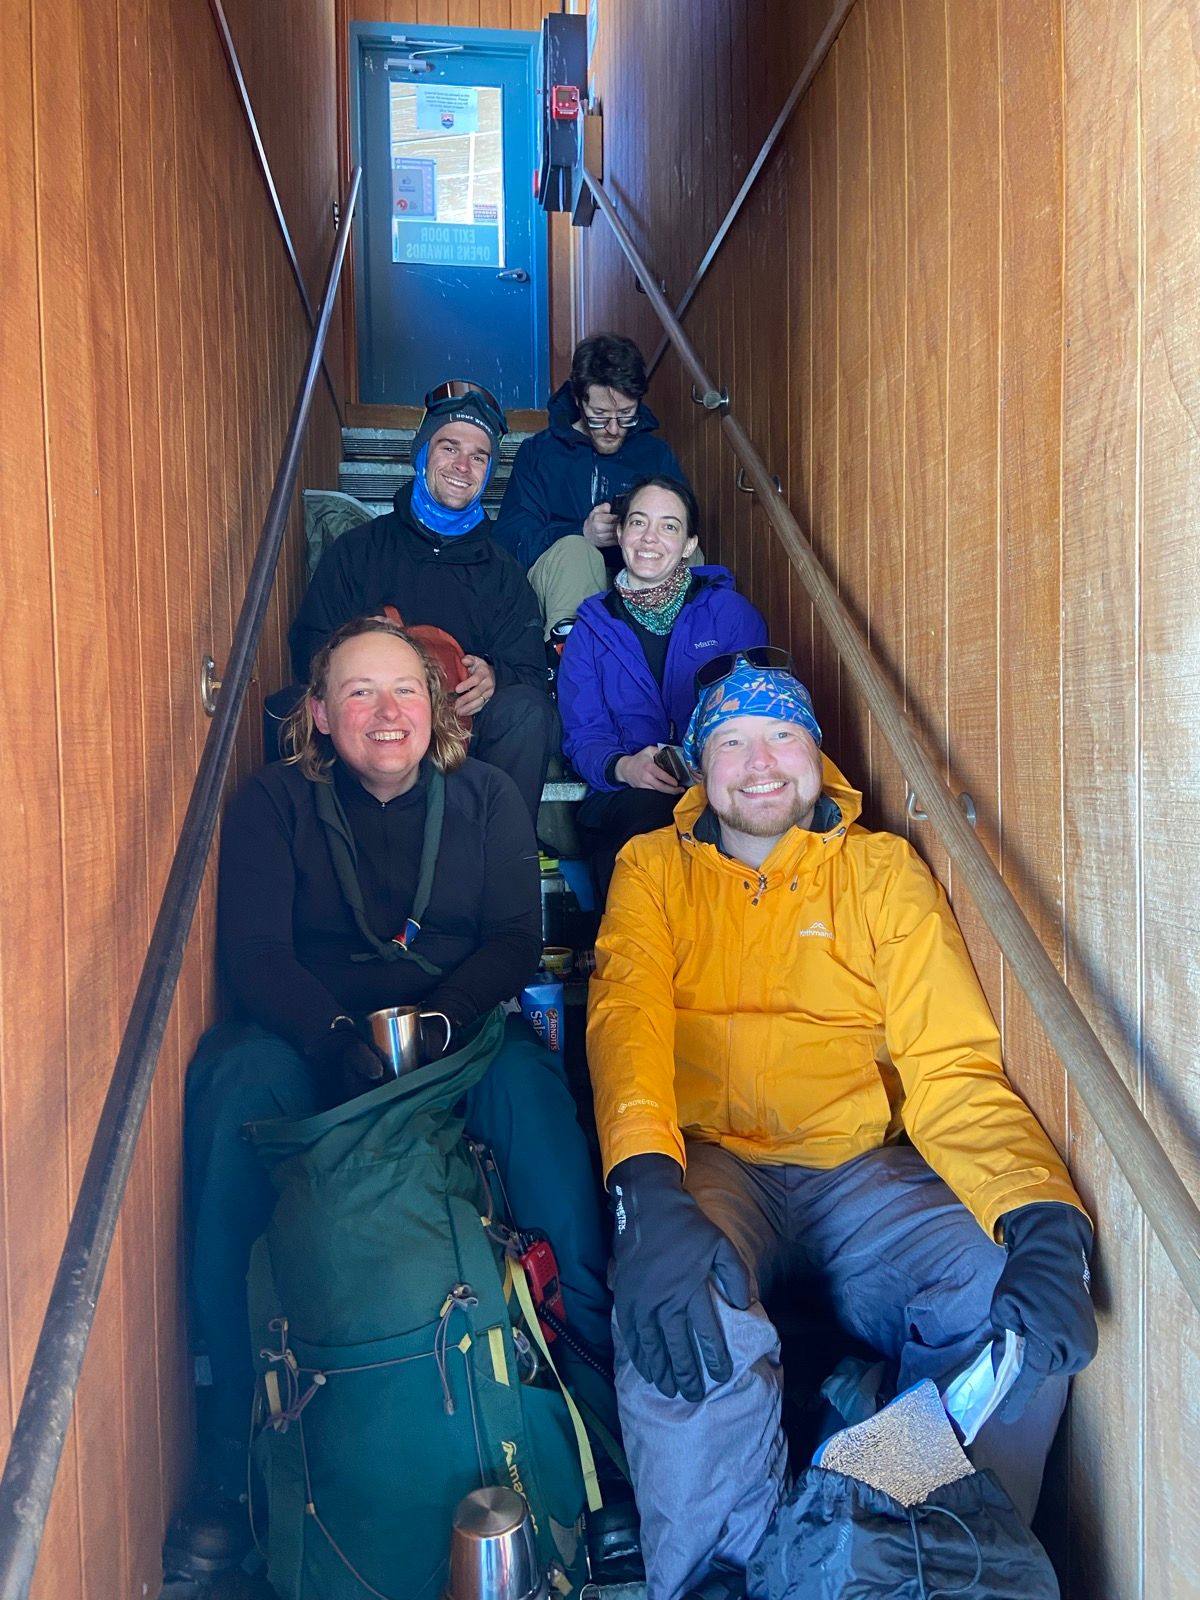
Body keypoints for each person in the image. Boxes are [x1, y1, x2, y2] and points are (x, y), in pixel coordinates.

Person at [586, 650, 1098, 1600]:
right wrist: (643, 1189)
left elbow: (948, 1062)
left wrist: (1038, 1211)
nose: (761, 761)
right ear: (702, 768)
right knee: (678, 1299)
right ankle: (719, 1576)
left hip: (859, 1163)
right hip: (713, 1159)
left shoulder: (880, 871)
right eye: (732, 741)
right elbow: (629, 1026)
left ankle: (922, 1546)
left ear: (819, 757)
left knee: (1000, 1293)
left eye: (783, 734)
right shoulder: (652, 867)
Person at [179, 618, 611, 1559]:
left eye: (406, 690)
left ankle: (594, 1436)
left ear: (438, 708)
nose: (386, 711)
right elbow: (254, 952)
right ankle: (224, 1459)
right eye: (360, 692)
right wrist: (331, 1038)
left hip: (455, 1027)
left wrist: (450, 1017)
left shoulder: (490, 796)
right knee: (230, 1083)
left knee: (539, 1111)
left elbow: (508, 940)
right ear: (321, 716)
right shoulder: (273, 801)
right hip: (313, 1032)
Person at [286, 382, 556, 821]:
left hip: (462, 733)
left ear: (489, 472)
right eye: (449, 448)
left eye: (479, 457)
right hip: (375, 725)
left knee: (527, 712)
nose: (463, 466)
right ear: (422, 453)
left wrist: (494, 678)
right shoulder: (359, 550)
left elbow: (529, 670)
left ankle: (501, 854)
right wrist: (358, 645)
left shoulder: (503, 572)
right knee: (288, 707)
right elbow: (308, 645)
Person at [557, 476, 766, 899]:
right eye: (638, 523)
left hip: (720, 782)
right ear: (619, 534)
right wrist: (624, 767)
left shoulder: (728, 613)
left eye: (669, 526)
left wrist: (708, 768)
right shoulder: (590, 630)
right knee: (646, 827)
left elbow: (756, 710)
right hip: (627, 793)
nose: (650, 538)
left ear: (689, 544)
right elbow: (584, 736)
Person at [492, 334, 693, 636]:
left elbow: (685, 527)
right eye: (600, 416)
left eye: (626, 415)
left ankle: (677, 663)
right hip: (561, 582)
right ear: (578, 400)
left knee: (688, 549)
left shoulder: (655, 454)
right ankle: (569, 669)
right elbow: (509, 541)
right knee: (577, 551)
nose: (613, 429)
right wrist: (582, 533)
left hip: (637, 577)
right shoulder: (540, 453)